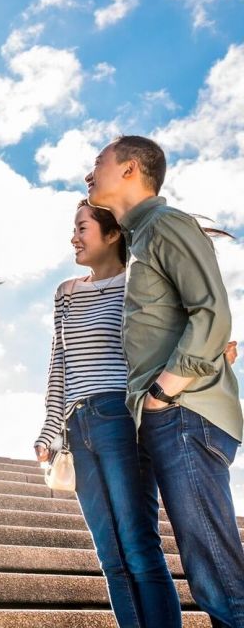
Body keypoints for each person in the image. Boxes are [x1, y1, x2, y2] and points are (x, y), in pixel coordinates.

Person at [85, 135, 244, 627]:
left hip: (184, 414)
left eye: (98, 163)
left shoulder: (165, 225)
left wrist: (161, 393)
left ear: (130, 168)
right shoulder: (141, 237)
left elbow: (213, 314)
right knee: (207, 569)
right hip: (170, 417)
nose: (90, 174)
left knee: (217, 573)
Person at [35, 200, 181, 628]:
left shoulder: (139, 283)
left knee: (138, 547)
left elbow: (166, 337)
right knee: (111, 556)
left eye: (82, 227)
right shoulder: (66, 292)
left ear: (113, 233)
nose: (74, 237)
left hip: (123, 417)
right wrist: (50, 429)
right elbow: (59, 362)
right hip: (76, 426)